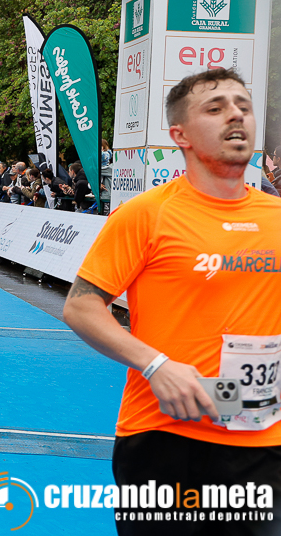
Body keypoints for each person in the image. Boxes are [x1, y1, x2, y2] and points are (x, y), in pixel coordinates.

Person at [64, 68, 281, 534]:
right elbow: (80, 306)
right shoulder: (147, 214)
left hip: (264, 442)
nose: (236, 116)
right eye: (215, 108)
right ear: (180, 135)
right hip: (164, 437)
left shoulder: (277, 216)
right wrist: (155, 365)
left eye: (243, 106)